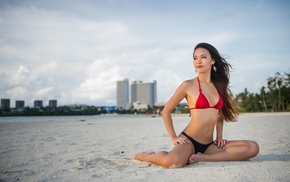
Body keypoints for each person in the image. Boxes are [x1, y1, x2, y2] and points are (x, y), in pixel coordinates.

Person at [134, 42, 259, 168]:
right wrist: (173, 137)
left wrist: (219, 137)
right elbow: (166, 111)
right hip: (189, 141)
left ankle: (204, 158)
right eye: (195, 58)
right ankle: (145, 156)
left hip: (209, 145)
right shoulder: (188, 85)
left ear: (212, 61)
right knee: (173, 162)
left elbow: (219, 114)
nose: (198, 61)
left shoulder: (219, 86)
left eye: (203, 57)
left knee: (252, 148)